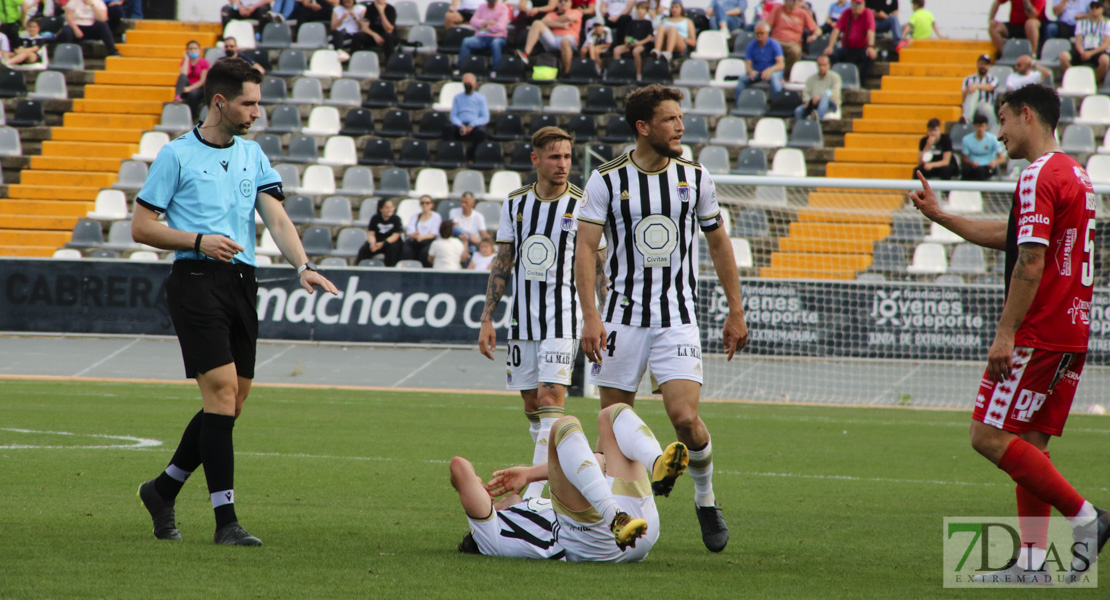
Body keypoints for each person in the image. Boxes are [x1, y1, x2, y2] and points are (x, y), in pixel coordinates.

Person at [132, 58, 338, 547]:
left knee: (232, 403)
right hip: (195, 278)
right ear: (220, 102)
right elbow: (141, 228)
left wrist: (302, 265)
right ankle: (226, 522)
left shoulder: (253, 154)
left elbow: (278, 220)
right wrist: (197, 240)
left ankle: (162, 490)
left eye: (259, 102)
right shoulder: (176, 155)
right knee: (222, 393)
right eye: (249, 103)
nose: (257, 112)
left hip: (243, 283)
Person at [909, 83, 1109, 584]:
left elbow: (1032, 258)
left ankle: (1087, 518)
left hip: (1039, 329)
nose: (997, 134)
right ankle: (1031, 563)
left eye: (1001, 121)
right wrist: (942, 217)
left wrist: (1006, 334)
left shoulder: (1037, 174)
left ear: (1026, 116)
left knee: (987, 434)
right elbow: (1016, 238)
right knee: (1030, 446)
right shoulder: (1077, 174)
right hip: (1072, 328)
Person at [575, 85, 749, 553]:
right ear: (643, 127)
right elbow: (586, 248)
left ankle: (705, 501)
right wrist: (591, 316)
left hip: (677, 317)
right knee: (612, 424)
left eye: (680, 117)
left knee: (684, 418)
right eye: (670, 119)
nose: (680, 126)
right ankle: (613, 519)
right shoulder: (606, 180)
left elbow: (718, 243)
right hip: (621, 321)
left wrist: (736, 309)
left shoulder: (695, 177)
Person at [477, 126, 608, 500]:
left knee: (551, 399)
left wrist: (601, 317)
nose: (563, 164)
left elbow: (600, 266)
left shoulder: (583, 204)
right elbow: (504, 261)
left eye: (567, 156)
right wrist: (488, 318)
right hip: (523, 321)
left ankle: (533, 500)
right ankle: (566, 476)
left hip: (564, 319)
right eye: (554, 157)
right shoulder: (516, 203)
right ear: (536, 159)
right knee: (532, 404)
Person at [451, 404, 690, 561]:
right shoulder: (488, 535)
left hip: (637, 529)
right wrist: (478, 486)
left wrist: (529, 474)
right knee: (564, 425)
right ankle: (615, 516)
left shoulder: (526, 508)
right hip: (591, 543)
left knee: (611, 414)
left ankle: (657, 462)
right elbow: (458, 466)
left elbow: (594, 462)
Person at [518, 0, 584, 74]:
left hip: (569, 39)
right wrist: (561, 25)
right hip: (553, 40)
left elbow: (569, 17)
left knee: (565, 41)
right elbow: (543, 21)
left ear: (570, 3)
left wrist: (551, 23)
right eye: (560, 1)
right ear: (557, 4)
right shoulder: (551, 14)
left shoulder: (576, 11)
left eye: (566, 1)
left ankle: (567, 72)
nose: (563, 3)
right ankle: (525, 54)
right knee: (537, 23)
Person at [824, 0, 876, 85]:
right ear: (851, 4)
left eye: (859, 4)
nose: (857, 7)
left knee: (870, 57)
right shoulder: (846, 13)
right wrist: (830, 46)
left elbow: (871, 30)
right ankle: (834, 82)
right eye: (855, 4)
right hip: (846, 48)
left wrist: (870, 46)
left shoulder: (868, 13)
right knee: (831, 56)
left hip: (861, 48)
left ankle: (860, 82)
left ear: (863, 5)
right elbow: (836, 30)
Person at [1059, 0, 1110, 83]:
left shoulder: (1107, 23)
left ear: (1102, 9)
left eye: (1097, 7)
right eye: (1092, 7)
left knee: (1105, 60)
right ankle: (1074, 79)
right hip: (1083, 49)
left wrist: (1091, 53)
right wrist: (1082, 52)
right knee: (1063, 57)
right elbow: (1078, 41)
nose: (1094, 9)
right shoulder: (1081, 22)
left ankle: (1093, 82)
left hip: (1098, 50)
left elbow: (1106, 43)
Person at [444, 73, 490, 162]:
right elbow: (453, 116)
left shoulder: (481, 98)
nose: (467, 85)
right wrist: (460, 125)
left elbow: (485, 117)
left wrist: (472, 125)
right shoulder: (457, 98)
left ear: (475, 84)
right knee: (447, 129)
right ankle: (454, 155)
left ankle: (471, 156)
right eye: (465, 83)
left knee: (482, 133)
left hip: (474, 126)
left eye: (469, 83)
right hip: (460, 126)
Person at [734, 22, 785, 100]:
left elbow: (781, 64)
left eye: (762, 33)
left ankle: (776, 105)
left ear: (767, 33)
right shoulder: (751, 46)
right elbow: (747, 63)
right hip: (758, 72)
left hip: (772, 71)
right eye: (757, 33)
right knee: (742, 78)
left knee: (775, 79)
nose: (759, 35)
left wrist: (770, 70)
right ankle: (739, 104)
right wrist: (750, 71)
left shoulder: (774, 44)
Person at [767, 0, 819, 75]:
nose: (795, 3)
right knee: (765, 46)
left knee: (795, 51)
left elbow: (817, 29)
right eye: (792, 1)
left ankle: (785, 75)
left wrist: (815, 35)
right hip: (776, 41)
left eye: (796, 1)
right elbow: (766, 24)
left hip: (793, 43)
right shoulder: (777, 9)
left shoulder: (802, 13)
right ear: (785, 1)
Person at [458, 0, 511, 72]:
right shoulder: (482, 6)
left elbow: (500, 27)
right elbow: (472, 21)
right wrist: (486, 22)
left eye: (493, 2)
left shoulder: (503, 8)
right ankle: (462, 68)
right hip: (481, 37)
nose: (491, 3)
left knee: (496, 43)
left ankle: (496, 70)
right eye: (490, 1)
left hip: (498, 37)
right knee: (466, 41)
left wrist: (486, 26)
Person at [356, 197, 404, 266]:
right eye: (387, 208)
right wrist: (372, 243)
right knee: (364, 249)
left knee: (393, 250)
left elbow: (395, 236)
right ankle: (360, 268)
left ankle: (389, 271)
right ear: (381, 209)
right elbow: (371, 233)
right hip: (377, 241)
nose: (389, 210)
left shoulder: (396, 219)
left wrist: (383, 243)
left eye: (391, 207)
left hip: (390, 242)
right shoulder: (375, 218)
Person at [960, 112, 1007, 180]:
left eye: (982, 126)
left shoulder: (993, 139)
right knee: (966, 169)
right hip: (973, 166)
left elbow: (1002, 159)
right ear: (974, 127)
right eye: (978, 126)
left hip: (987, 166)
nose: (980, 129)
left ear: (986, 126)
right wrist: (971, 163)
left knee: (981, 171)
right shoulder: (966, 139)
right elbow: (965, 159)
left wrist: (995, 162)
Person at [612, 2, 654, 76]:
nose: (640, 11)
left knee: (636, 51)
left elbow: (649, 38)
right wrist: (627, 42)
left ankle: (638, 74)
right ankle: (618, 72)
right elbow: (626, 35)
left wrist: (639, 43)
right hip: (631, 44)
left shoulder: (648, 23)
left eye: (643, 9)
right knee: (616, 50)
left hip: (642, 45)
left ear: (646, 11)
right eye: (639, 9)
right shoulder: (632, 22)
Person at [795, 54, 841, 120]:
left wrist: (820, 98)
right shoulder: (810, 79)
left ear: (828, 65)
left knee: (825, 99)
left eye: (824, 65)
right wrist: (809, 100)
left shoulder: (835, 78)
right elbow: (806, 93)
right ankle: (802, 127)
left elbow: (834, 93)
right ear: (817, 65)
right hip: (813, 104)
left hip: (830, 105)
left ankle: (817, 119)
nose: (822, 68)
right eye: (820, 65)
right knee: (798, 111)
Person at [175, 40, 210, 121]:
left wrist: (190, 88)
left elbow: (202, 81)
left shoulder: (204, 63)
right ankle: (177, 96)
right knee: (182, 77)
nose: (193, 51)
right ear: (187, 51)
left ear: (199, 50)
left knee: (192, 94)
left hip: (198, 88)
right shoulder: (184, 62)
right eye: (190, 49)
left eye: (195, 48)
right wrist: (186, 59)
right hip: (186, 86)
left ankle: (193, 117)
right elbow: (183, 75)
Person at [404, 195, 442, 267]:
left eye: (427, 203)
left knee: (424, 253)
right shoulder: (414, 216)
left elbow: (434, 233)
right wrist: (414, 235)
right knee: (407, 251)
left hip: (429, 241)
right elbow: (410, 231)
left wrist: (421, 237)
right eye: (422, 203)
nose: (425, 205)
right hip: (415, 240)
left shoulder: (436, 216)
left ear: (431, 204)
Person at [962, 54, 998, 127]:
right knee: (973, 92)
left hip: (986, 104)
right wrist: (969, 89)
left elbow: (990, 87)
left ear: (989, 66)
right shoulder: (968, 79)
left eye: (985, 64)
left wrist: (976, 85)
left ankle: (994, 131)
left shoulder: (993, 79)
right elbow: (963, 97)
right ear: (977, 64)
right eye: (981, 64)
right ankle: (967, 120)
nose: (983, 66)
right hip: (971, 105)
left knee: (987, 108)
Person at [449, 192, 487, 256]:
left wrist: (484, 243)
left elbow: (484, 234)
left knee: (472, 249)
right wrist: (469, 236)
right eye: (462, 202)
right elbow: (456, 228)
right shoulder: (454, 212)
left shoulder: (479, 216)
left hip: (472, 243)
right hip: (459, 241)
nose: (463, 205)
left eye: (466, 203)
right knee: (455, 229)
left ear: (473, 203)